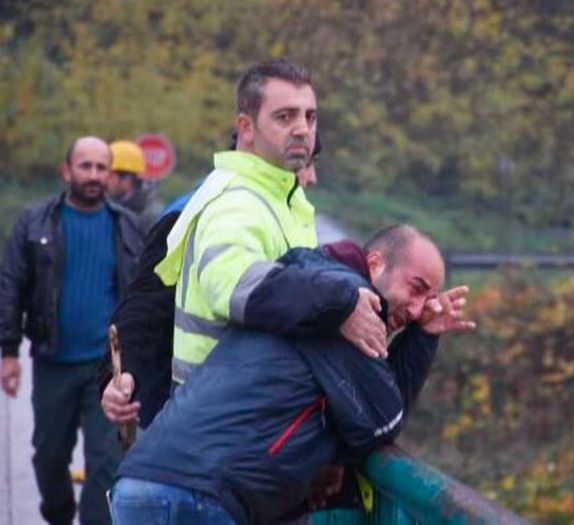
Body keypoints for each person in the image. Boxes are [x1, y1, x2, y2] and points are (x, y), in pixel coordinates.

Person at [109, 225, 475, 524]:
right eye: (416, 289)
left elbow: (362, 402)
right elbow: (381, 421)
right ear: (375, 264)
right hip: (199, 496)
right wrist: (423, 337)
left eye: (426, 302)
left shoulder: (309, 289)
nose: (415, 309)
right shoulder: (350, 306)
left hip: (143, 482)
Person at [153, 58, 387, 388]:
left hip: (247, 404)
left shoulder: (283, 196)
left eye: (310, 116)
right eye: (285, 116)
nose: (303, 129)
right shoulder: (234, 199)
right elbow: (234, 283)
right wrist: (338, 303)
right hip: (222, 413)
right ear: (246, 128)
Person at [98, 134, 323, 430]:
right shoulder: (193, 210)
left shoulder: (290, 215)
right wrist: (123, 374)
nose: (312, 178)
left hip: (254, 409)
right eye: (305, 166)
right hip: (182, 414)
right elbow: (146, 305)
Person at [0, 136, 144, 525]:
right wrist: (8, 352)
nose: (94, 175)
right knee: (49, 458)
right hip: (53, 363)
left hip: (109, 372)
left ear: (110, 175)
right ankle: (59, 517)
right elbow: (11, 285)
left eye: (102, 167)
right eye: (86, 166)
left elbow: (145, 297)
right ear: (67, 171)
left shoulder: (128, 227)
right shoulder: (35, 223)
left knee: (106, 464)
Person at [108, 140, 164, 235]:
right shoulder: (108, 206)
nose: (105, 179)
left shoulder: (151, 215)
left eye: (110, 175)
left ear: (125, 177)